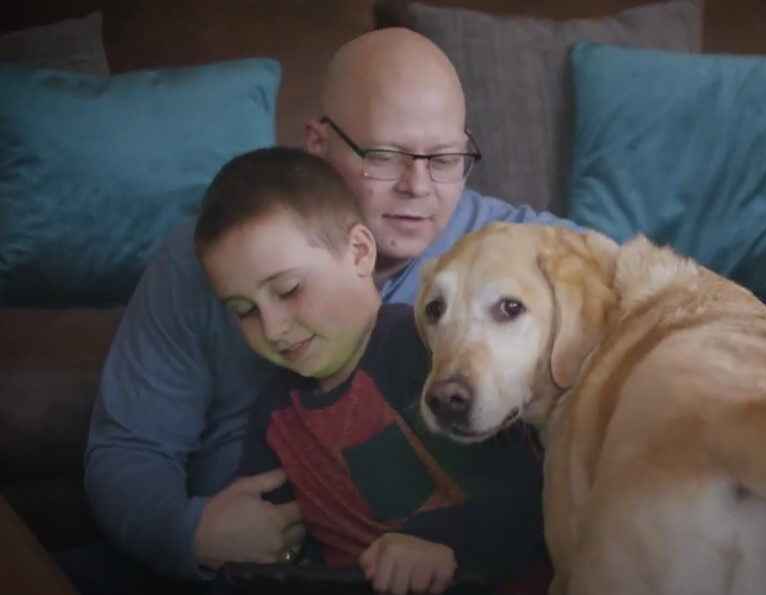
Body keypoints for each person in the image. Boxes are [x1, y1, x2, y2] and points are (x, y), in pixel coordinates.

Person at [64, 26, 575, 595]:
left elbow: (658, 303)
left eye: (445, 158)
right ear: (318, 143)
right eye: (385, 156)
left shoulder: (519, 249)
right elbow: (129, 447)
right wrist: (190, 533)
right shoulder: (212, 258)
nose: (418, 186)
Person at [194, 146, 549, 595]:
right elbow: (272, 541)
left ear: (361, 252)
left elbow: (531, 494)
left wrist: (441, 544)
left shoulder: (428, 349)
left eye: (288, 289)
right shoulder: (275, 414)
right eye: (244, 310)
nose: (273, 328)